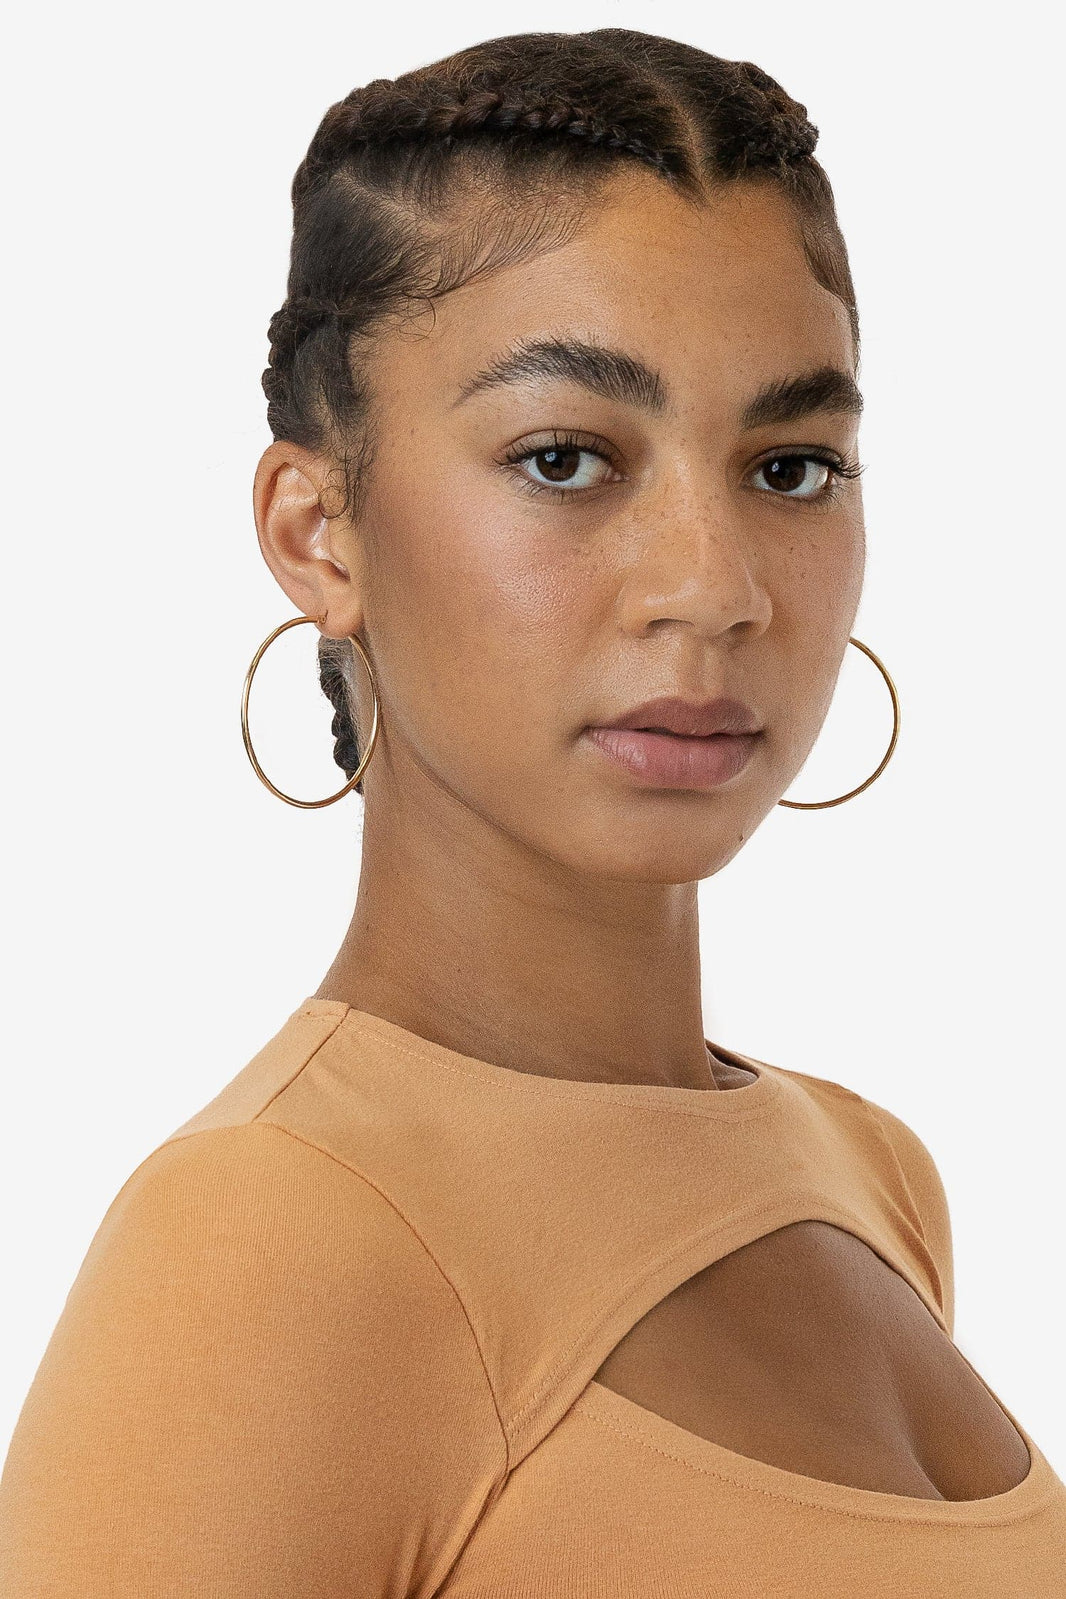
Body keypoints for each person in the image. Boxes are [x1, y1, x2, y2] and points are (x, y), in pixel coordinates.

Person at [2, 27, 1064, 1597]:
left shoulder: (865, 1171)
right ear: (316, 532)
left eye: (788, 467)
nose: (711, 587)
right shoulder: (271, 1236)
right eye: (564, 457)